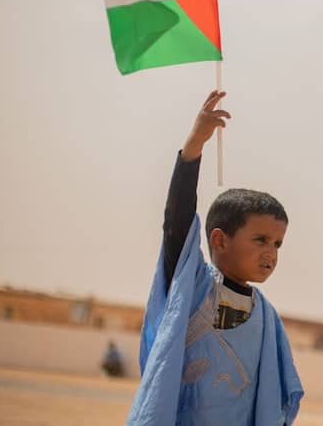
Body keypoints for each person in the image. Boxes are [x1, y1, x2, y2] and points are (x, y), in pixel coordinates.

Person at [127, 91, 303, 426]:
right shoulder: (195, 290)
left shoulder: (266, 317)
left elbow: (276, 399)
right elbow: (176, 225)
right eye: (261, 239)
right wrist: (193, 148)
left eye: (278, 244)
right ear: (220, 240)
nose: (271, 252)